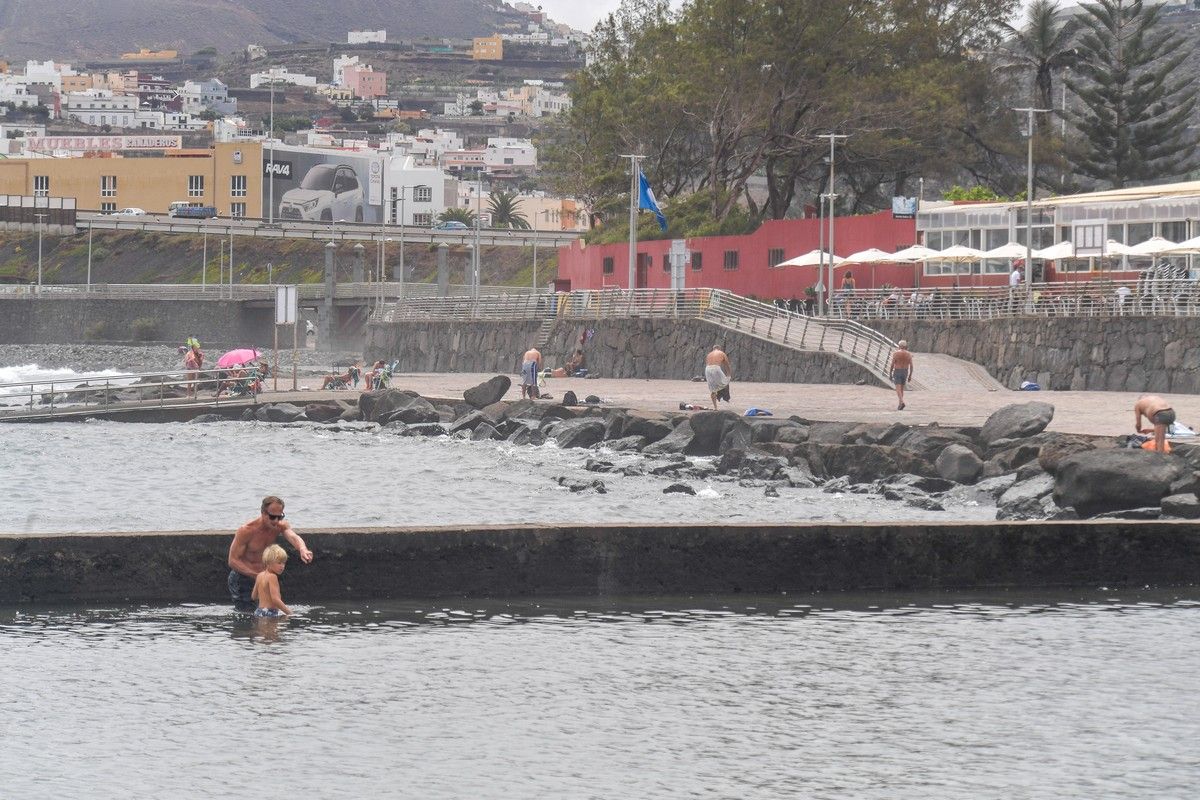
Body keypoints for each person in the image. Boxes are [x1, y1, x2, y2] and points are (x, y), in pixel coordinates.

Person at [227, 496, 314, 612]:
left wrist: (303, 549)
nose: (276, 521)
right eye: (272, 517)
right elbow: (232, 560)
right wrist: (256, 575)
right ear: (263, 513)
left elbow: (293, 536)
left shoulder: (279, 526)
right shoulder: (246, 531)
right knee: (247, 613)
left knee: (268, 610)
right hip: (243, 578)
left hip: (264, 577)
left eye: (280, 516)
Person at [252, 544, 292, 617]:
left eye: (284, 563)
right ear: (268, 562)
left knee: (262, 629)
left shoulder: (259, 575)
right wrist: (289, 613)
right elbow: (275, 600)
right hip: (270, 612)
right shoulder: (272, 577)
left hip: (259, 612)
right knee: (273, 628)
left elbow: (254, 596)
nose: (282, 566)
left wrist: (265, 596)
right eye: (279, 563)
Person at [704, 345, 732, 410]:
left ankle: (715, 407)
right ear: (719, 349)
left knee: (712, 390)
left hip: (707, 369)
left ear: (713, 349)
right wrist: (729, 375)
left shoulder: (709, 354)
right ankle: (725, 397)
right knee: (726, 382)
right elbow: (727, 365)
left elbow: (707, 364)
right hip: (716, 368)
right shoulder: (722, 353)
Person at [889, 340, 914, 410]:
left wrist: (890, 373)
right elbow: (911, 366)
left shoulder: (896, 353)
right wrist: (910, 375)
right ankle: (900, 404)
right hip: (905, 371)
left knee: (898, 389)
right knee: (902, 389)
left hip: (897, 371)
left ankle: (902, 402)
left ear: (899, 346)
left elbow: (892, 364)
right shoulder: (909, 354)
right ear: (905, 346)